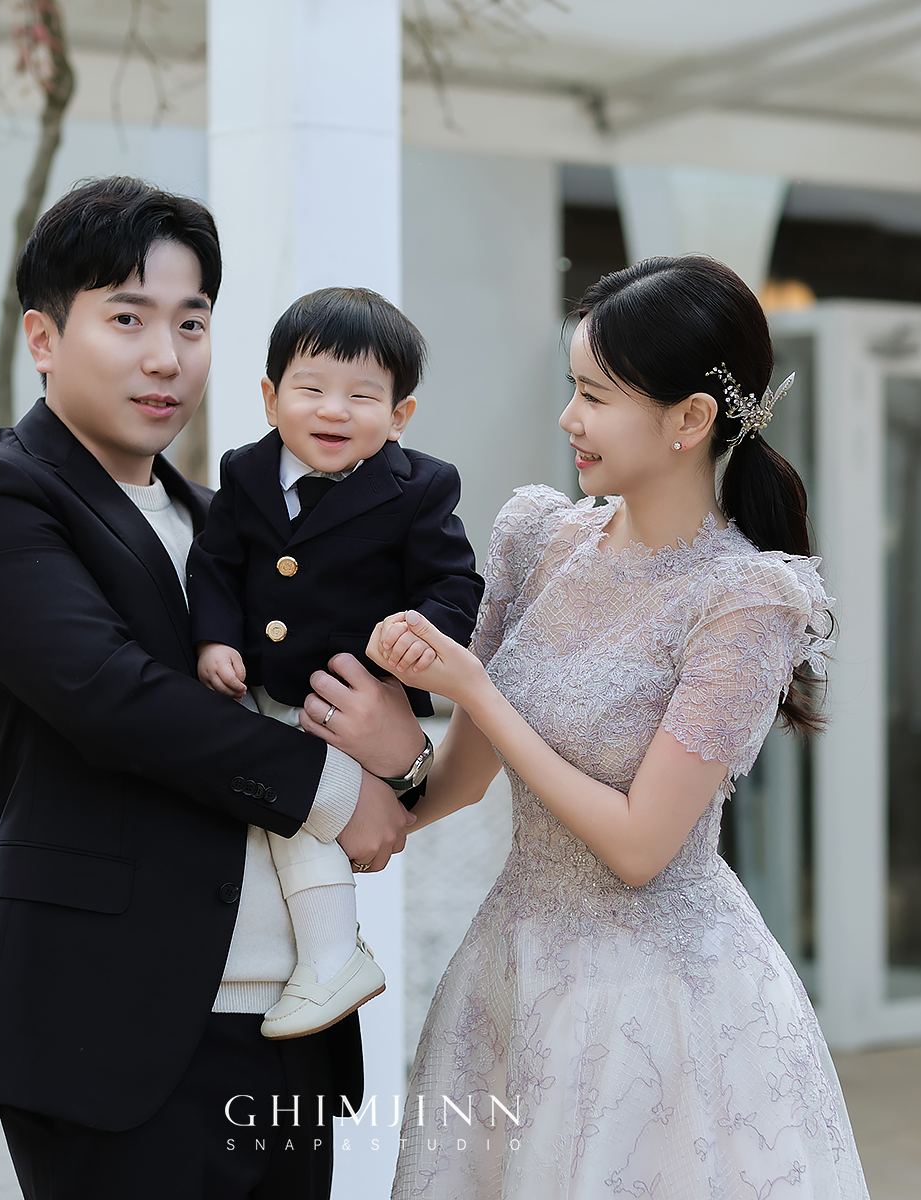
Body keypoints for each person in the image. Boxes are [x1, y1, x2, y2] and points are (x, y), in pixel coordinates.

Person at [0, 176, 427, 1200]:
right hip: (113, 1030)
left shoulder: (235, 520)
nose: (167, 357)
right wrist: (334, 789)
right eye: (128, 318)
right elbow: (113, 697)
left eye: (192, 323)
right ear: (43, 337)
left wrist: (401, 756)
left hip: (291, 1024)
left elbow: (347, 691)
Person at [363, 256, 872, 1197]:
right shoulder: (539, 538)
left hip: (661, 998)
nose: (570, 419)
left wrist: (477, 690)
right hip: (513, 965)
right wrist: (365, 800)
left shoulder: (746, 599)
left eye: (595, 397)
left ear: (690, 418)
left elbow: (641, 848)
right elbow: (461, 782)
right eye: (573, 389)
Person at [187, 286, 484, 1041]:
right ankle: (325, 959)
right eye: (311, 389)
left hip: (350, 702)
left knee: (294, 815)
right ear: (270, 398)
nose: (333, 411)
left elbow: (454, 583)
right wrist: (214, 640)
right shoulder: (245, 474)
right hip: (261, 688)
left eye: (362, 396)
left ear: (399, 416)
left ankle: (330, 959)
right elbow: (215, 565)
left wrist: (419, 647)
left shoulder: (420, 488)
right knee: (281, 813)